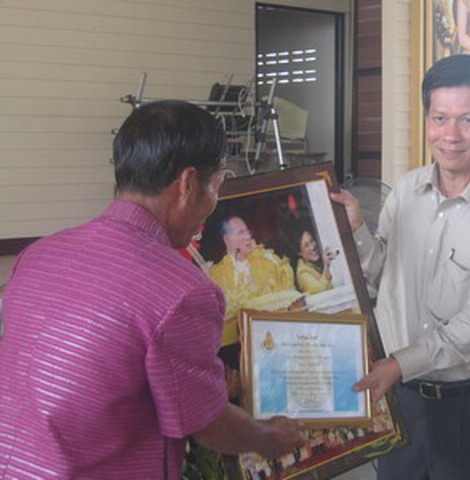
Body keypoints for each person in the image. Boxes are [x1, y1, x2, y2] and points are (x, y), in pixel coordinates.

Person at [0, 100, 304, 479]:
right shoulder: (181, 292)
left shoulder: (36, 256)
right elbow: (207, 424)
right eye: (217, 185)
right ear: (188, 184)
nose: (213, 204)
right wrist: (269, 436)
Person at [332, 55, 470, 479]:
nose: (450, 135)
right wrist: (356, 229)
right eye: (439, 118)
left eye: (467, 120)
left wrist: (400, 362)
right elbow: (381, 276)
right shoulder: (406, 190)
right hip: (404, 401)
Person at [209, 215, 300, 346]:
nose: (248, 237)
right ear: (227, 240)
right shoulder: (217, 275)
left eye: (248, 232)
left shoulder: (268, 261)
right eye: (241, 232)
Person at [295, 228, 333, 295]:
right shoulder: (303, 274)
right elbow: (320, 293)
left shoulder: (318, 260)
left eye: (312, 241)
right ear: (300, 253)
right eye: (306, 246)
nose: (312, 247)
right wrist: (326, 268)